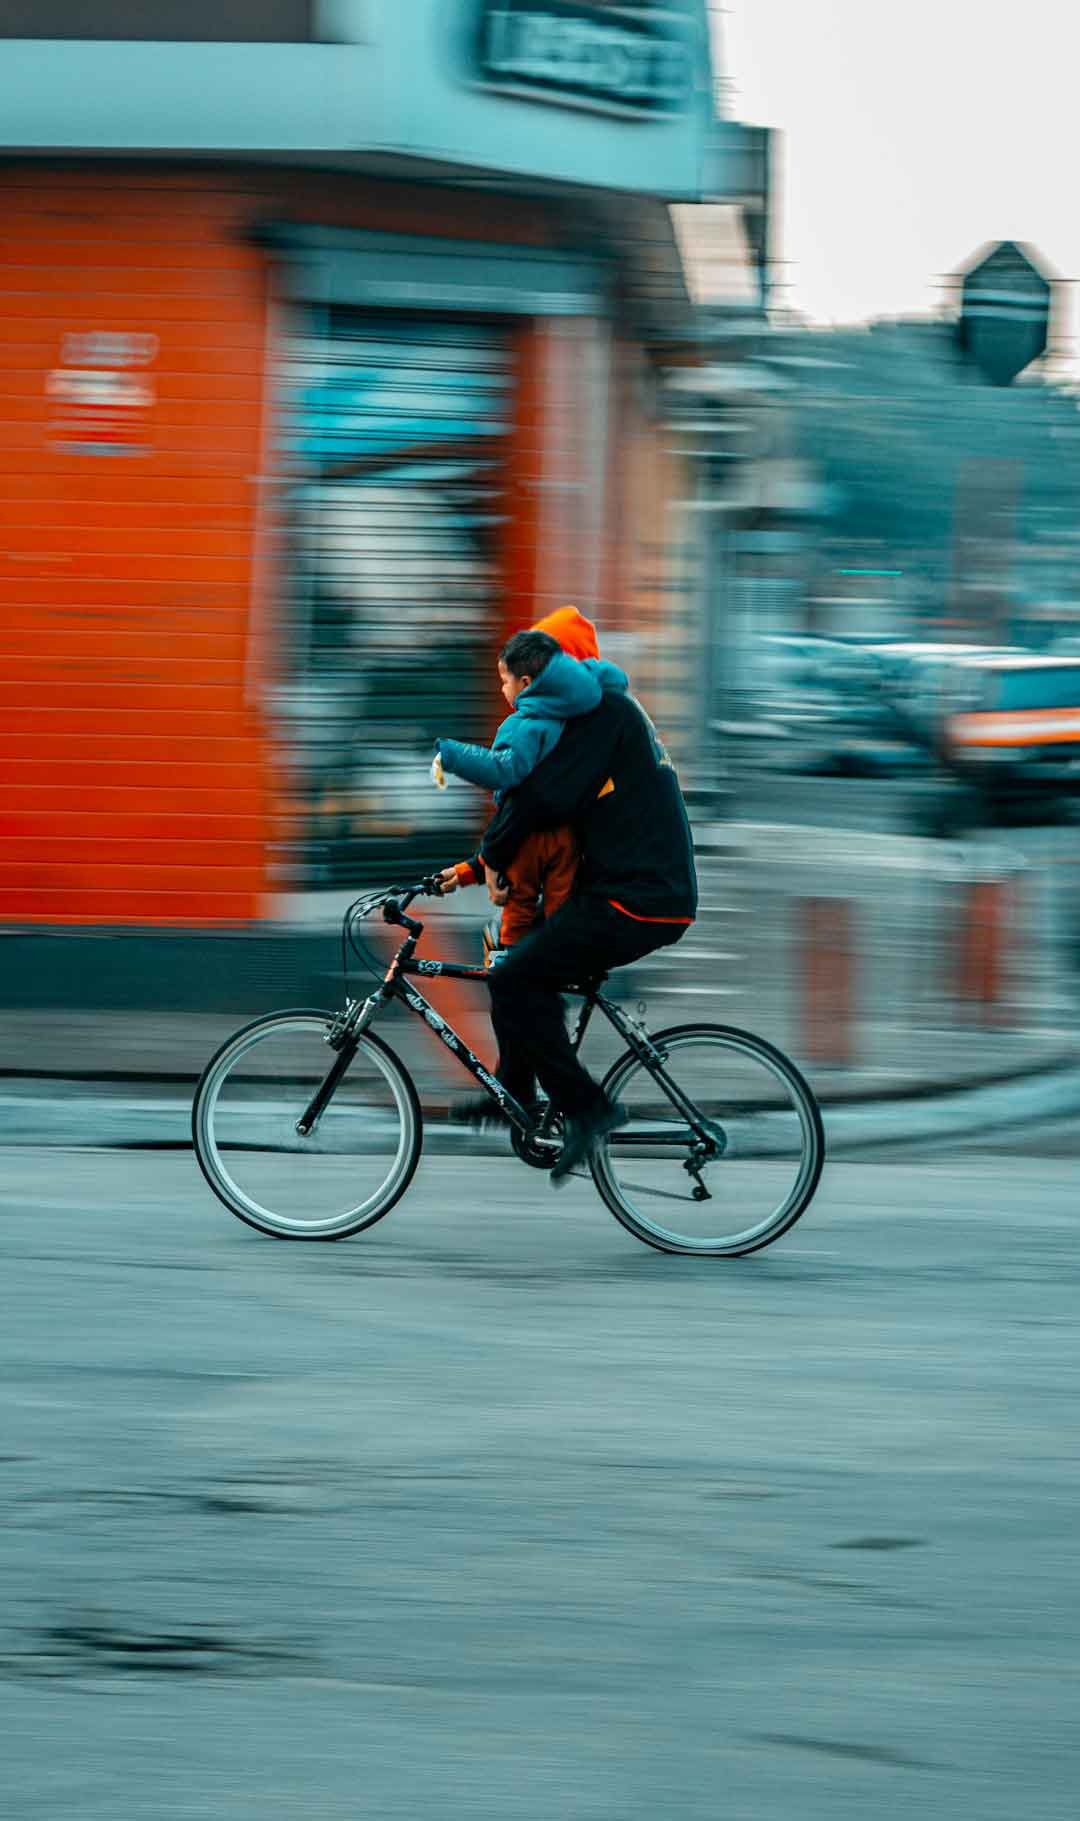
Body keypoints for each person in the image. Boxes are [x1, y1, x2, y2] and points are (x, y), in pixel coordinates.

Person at [474, 652, 698, 1184]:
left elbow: (543, 799)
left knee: (515, 976)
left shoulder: (605, 715)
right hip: (632, 893)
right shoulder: (611, 713)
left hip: (636, 901)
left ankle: (588, 1107)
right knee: (514, 962)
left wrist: (490, 857)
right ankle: (515, 1092)